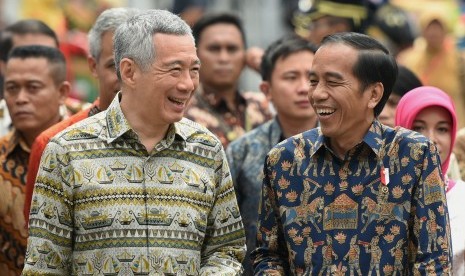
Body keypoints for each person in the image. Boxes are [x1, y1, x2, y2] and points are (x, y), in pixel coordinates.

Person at [22, 9, 246, 275]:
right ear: (129, 72)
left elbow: (227, 251)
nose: (187, 84)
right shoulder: (66, 152)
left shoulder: (207, 149)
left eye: (193, 70)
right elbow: (44, 265)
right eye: (174, 70)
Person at [252, 32, 452, 274]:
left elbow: (433, 260)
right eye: (314, 81)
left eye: (333, 82)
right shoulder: (283, 159)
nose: (317, 94)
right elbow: (269, 254)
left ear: (373, 94)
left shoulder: (414, 155)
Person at [23, 7, 140, 225]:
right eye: (114, 66)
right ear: (93, 66)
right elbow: (41, 245)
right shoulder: (53, 145)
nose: (127, 77)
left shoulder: (184, 139)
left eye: (138, 65)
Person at [226, 34, 317, 275]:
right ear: (267, 90)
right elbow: (224, 234)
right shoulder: (242, 151)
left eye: (312, 78)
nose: (303, 88)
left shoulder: (343, 145)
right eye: (290, 77)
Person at [0, 45, 69, 275]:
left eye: (33, 88)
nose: (20, 99)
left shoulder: (82, 153)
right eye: (12, 88)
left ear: (62, 93)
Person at [395, 86, 464, 275]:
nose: (430, 140)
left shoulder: (462, 198)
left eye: (442, 129)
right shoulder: (380, 195)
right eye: (418, 128)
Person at [185, 12, 271, 148]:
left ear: (245, 55)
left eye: (232, 49)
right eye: (214, 49)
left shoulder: (263, 106)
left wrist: (267, 67)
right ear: (195, 54)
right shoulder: (181, 112)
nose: (223, 58)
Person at [0, 19, 91, 136]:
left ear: (62, 91)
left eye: (50, 55)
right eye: (25, 54)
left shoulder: (90, 120)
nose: (21, 98)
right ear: (3, 66)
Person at [397, 3, 465, 128]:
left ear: (446, 30)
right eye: (430, 27)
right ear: (422, 29)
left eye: (439, 27)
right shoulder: (407, 58)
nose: (434, 32)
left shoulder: (459, 59)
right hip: (416, 126)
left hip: (452, 127)